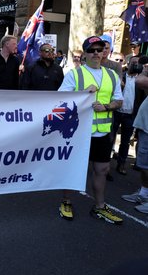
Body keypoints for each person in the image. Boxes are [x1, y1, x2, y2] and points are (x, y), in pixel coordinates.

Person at [57, 36, 123, 224]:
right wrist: (85, 93)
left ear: (104, 52)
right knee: (73, 169)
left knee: (101, 169)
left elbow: (119, 101)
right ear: (85, 54)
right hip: (77, 131)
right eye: (91, 50)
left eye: (99, 49)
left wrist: (106, 106)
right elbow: (60, 99)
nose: (96, 53)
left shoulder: (111, 75)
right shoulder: (75, 74)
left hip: (102, 133)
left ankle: (100, 207)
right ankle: (66, 201)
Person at [121, 60, 148, 213]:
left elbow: (140, 80)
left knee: (146, 165)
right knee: (144, 164)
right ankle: (144, 193)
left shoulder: (143, 75)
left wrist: (144, 70)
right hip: (145, 126)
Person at [112, 56, 146, 175]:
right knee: (110, 138)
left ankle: (121, 164)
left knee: (125, 142)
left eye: (138, 63)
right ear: (128, 63)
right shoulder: (121, 77)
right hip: (116, 112)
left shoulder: (141, 81)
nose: (136, 65)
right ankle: (106, 166)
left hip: (130, 116)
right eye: (133, 63)